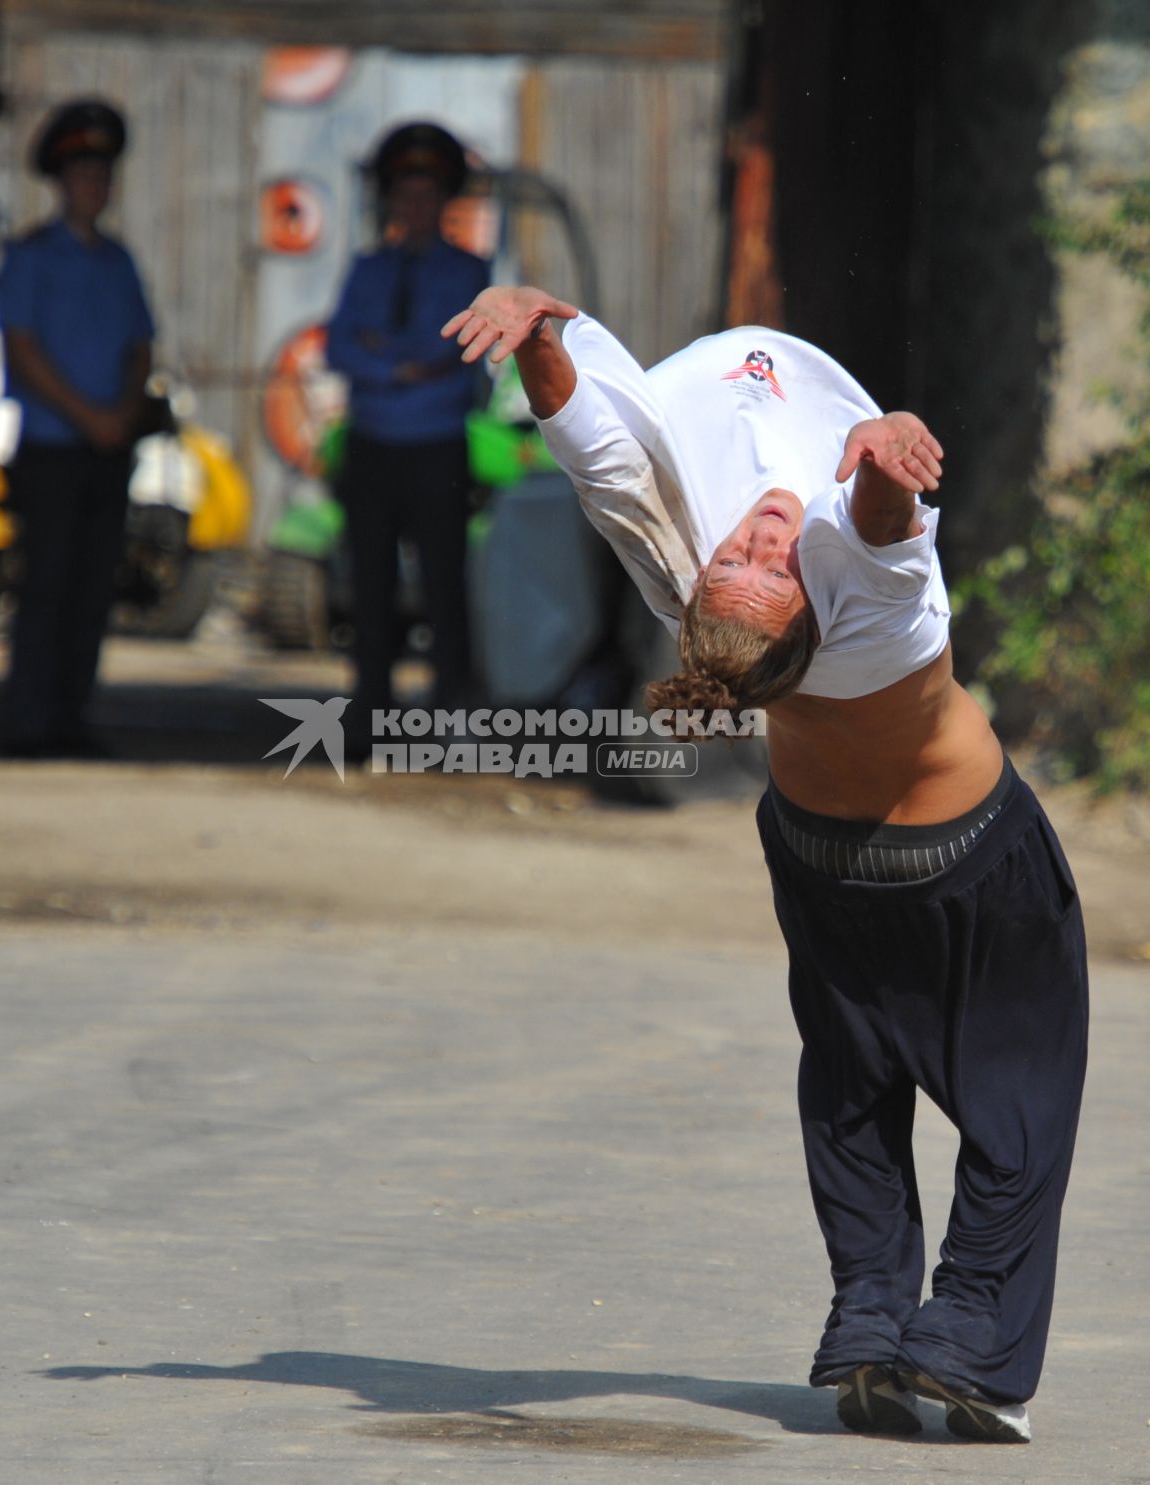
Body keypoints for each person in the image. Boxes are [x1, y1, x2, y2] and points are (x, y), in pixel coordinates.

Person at [443, 286, 1088, 1444]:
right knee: (1016, 1101)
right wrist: (881, 447)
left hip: (816, 859)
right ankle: (965, 1342)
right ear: (809, 609)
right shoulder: (862, 594)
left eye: (745, 550)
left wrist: (540, 335)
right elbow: (883, 522)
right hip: (964, 867)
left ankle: (874, 1326)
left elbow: (590, 444)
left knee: (849, 1096)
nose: (756, 534)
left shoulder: (676, 567)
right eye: (763, 554)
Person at [0, 99, 155, 758]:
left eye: (102, 175)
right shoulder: (32, 257)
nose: (95, 187)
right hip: (53, 448)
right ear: (62, 183)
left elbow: (141, 343)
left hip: (107, 447)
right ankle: (26, 719)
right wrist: (88, 415)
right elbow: (24, 348)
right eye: (83, 175)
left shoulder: (118, 262)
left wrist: (122, 410)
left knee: (92, 587)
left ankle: (71, 717)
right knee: (46, 584)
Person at [325, 122, 490, 739]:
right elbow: (341, 347)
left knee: (444, 579)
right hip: (372, 444)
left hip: (436, 446)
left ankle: (451, 707)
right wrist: (405, 365)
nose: (415, 207)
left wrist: (388, 356)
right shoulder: (367, 271)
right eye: (405, 194)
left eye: (428, 195)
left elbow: (460, 355)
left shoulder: (468, 273)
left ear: (444, 202)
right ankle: (369, 710)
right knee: (369, 581)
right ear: (391, 201)